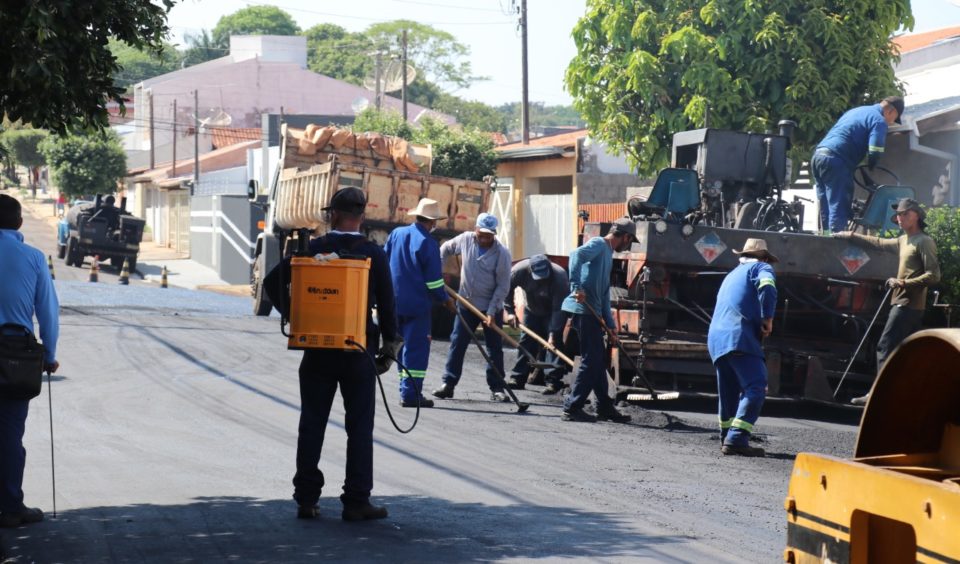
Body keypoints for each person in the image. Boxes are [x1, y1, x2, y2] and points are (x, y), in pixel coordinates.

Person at [266, 187, 401, 522]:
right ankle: (356, 501)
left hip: (317, 350)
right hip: (357, 351)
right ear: (362, 216)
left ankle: (307, 500)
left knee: (312, 423)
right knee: (359, 427)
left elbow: (272, 283)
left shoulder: (313, 249)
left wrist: (297, 315)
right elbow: (387, 303)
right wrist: (388, 348)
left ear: (332, 215)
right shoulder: (372, 253)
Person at [834, 198, 940, 405]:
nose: (899, 219)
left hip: (908, 304)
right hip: (902, 302)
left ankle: (878, 395)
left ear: (916, 215)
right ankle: (904, 396)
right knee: (902, 353)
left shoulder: (924, 241)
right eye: (898, 216)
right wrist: (850, 235)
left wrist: (903, 282)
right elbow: (879, 243)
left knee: (885, 346)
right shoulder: (904, 240)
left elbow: (934, 275)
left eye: (904, 214)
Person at [0, 194, 59, 528]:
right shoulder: (34, 258)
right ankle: (10, 507)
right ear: (20, 223)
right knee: (8, 434)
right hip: (14, 356)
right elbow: (47, 312)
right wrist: (48, 356)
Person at [560, 218, 635, 423]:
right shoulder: (599, 244)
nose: (628, 244)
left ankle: (604, 406)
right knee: (591, 359)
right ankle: (572, 407)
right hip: (582, 309)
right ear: (625, 236)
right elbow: (575, 255)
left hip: (592, 310)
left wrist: (611, 325)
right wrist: (576, 287)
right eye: (629, 240)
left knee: (597, 359)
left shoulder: (608, 254)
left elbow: (603, 294)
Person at [707, 238, 778, 457]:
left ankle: (727, 435)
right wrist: (768, 317)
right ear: (764, 257)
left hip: (716, 339)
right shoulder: (761, 267)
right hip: (739, 336)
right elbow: (767, 286)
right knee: (756, 386)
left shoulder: (732, 274)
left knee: (728, 391)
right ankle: (737, 437)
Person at [432, 213, 513, 402]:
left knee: (494, 348)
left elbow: (503, 286)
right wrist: (437, 268)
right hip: (466, 303)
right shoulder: (466, 239)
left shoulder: (502, 253)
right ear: (475, 230)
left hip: (491, 306)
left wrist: (492, 312)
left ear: (494, 234)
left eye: (488, 235)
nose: (484, 238)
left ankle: (497, 388)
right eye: (481, 234)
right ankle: (448, 384)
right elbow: (445, 248)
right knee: (457, 343)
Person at [383, 198, 456, 408]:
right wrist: (446, 300)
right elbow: (434, 282)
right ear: (433, 222)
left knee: (402, 348)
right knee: (415, 352)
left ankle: (405, 390)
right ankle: (411, 395)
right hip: (416, 306)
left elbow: (384, 261)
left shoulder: (397, 233)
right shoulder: (428, 243)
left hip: (394, 303)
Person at [812, 96, 904, 234]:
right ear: (890, 111)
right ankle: (837, 244)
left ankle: (824, 238)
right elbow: (875, 149)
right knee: (839, 204)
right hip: (837, 160)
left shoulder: (857, 111)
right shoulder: (879, 121)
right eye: (893, 119)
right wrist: (872, 166)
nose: (890, 123)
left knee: (825, 204)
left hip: (818, 157)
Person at [503, 254, 569, 395]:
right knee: (526, 341)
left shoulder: (560, 277)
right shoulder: (518, 271)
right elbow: (506, 290)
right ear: (530, 270)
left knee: (554, 344)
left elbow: (559, 309)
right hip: (531, 309)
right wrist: (509, 311)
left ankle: (553, 381)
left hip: (552, 312)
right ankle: (518, 378)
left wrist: (553, 333)